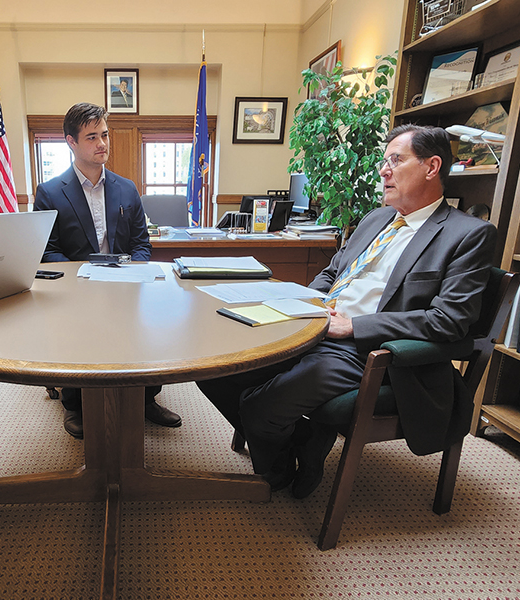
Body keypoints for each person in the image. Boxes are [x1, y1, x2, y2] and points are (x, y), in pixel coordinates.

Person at [197, 124, 496, 499]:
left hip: (370, 352)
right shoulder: (376, 219)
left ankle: (278, 472)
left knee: (259, 407)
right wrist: (301, 305)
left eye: (396, 160)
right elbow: (333, 272)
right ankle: (305, 437)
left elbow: (449, 322)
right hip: (315, 327)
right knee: (213, 370)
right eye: (384, 161)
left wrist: (355, 327)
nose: (383, 170)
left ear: (431, 166)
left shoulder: (467, 235)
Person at [33, 102, 181, 439]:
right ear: (71, 142)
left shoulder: (126, 188)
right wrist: (85, 274)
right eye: (91, 137)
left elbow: (142, 243)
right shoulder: (51, 192)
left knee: (147, 325)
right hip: (75, 289)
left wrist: (136, 271)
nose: (102, 143)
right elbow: (47, 251)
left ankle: (145, 397)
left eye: (104, 135)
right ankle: (76, 404)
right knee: (79, 332)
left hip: (126, 283)